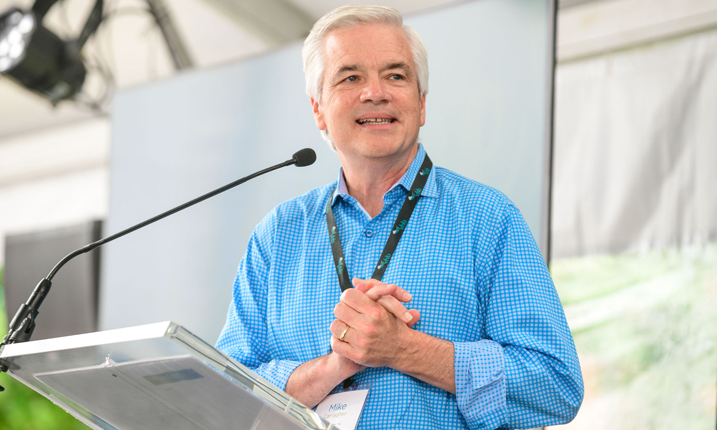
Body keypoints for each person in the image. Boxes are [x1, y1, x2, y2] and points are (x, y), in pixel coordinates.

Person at [216, 5, 583, 429]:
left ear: (421, 104)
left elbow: (556, 387)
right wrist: (334, 366)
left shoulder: (488, 220)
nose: (376, 92)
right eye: (350, 77)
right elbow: (225, 398)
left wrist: (404, 349)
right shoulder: (276, 236)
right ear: (318, 109)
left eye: (395, 75)